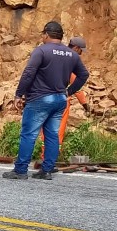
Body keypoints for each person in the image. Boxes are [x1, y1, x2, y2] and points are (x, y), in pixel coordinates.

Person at [4, 21, 89, 180]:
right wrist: (69, 91)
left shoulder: (41, 51)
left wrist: (19, 94)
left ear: (46, 34)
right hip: (59, 100)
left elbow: (29, 73)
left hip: (40, 99)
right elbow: (84, 75)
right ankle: (47, 170)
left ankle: (20, 170)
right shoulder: (71, 54)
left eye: (43, 34)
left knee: (29, 134)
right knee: (52, 135)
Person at [35, 36, 91, 168]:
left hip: (45, 97)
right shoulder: (70, 60)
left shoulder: (54, 54)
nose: (81, 54)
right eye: (81, 51)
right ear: (76, 48)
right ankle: (49, 161)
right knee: (56, 131)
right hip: (61, 101)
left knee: (45, 130)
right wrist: (84, 104)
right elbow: (76, 84)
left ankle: (44, 158)